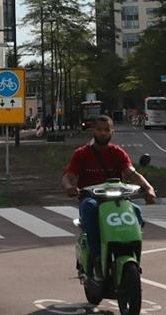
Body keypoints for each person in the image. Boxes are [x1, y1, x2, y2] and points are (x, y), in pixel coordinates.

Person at [62, 116, 156, 272]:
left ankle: (132, 254)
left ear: (112, 131)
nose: (103, 133)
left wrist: (148, 188)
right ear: (93, 131)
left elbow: (132, 174)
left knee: (136, 211)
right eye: (99, 130)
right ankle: (97, 257)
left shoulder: (118, 153)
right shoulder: (81, 154)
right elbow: (68, 176)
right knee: (90, 209)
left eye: (106, 130)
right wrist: (69, 187)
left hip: (116, 200)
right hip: (92, 199)